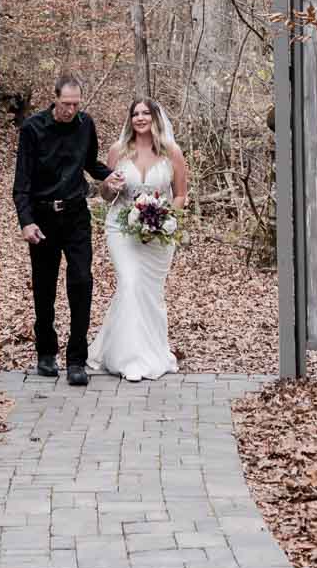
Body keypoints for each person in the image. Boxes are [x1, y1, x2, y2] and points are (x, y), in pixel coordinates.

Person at [13, 73, 118, 385]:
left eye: (76, 104)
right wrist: (26, 221)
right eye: (65, 103)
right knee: (44, 288)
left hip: (75, 215)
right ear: (54, 97)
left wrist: (110, 176)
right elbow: (21, 184)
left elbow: (90, 164)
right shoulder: (32, 128)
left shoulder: (86, 125)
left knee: (82, 281)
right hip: (43, 218)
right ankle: (46, 353)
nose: (70, 110)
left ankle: (76, 360)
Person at [89, 97, 188, 383]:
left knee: (149, 293)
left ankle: (153, 351)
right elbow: (106, 195)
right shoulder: (118, 151)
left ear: (156, 118)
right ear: (130, 119)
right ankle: (129, 359)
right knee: (130, 284)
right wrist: (108, 185)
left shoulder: (172, 152)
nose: (141, 118)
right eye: (136, 113)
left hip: (159, 232)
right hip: (122, 227)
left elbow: (180, 193)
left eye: (146, 113)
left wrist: (166, 216)